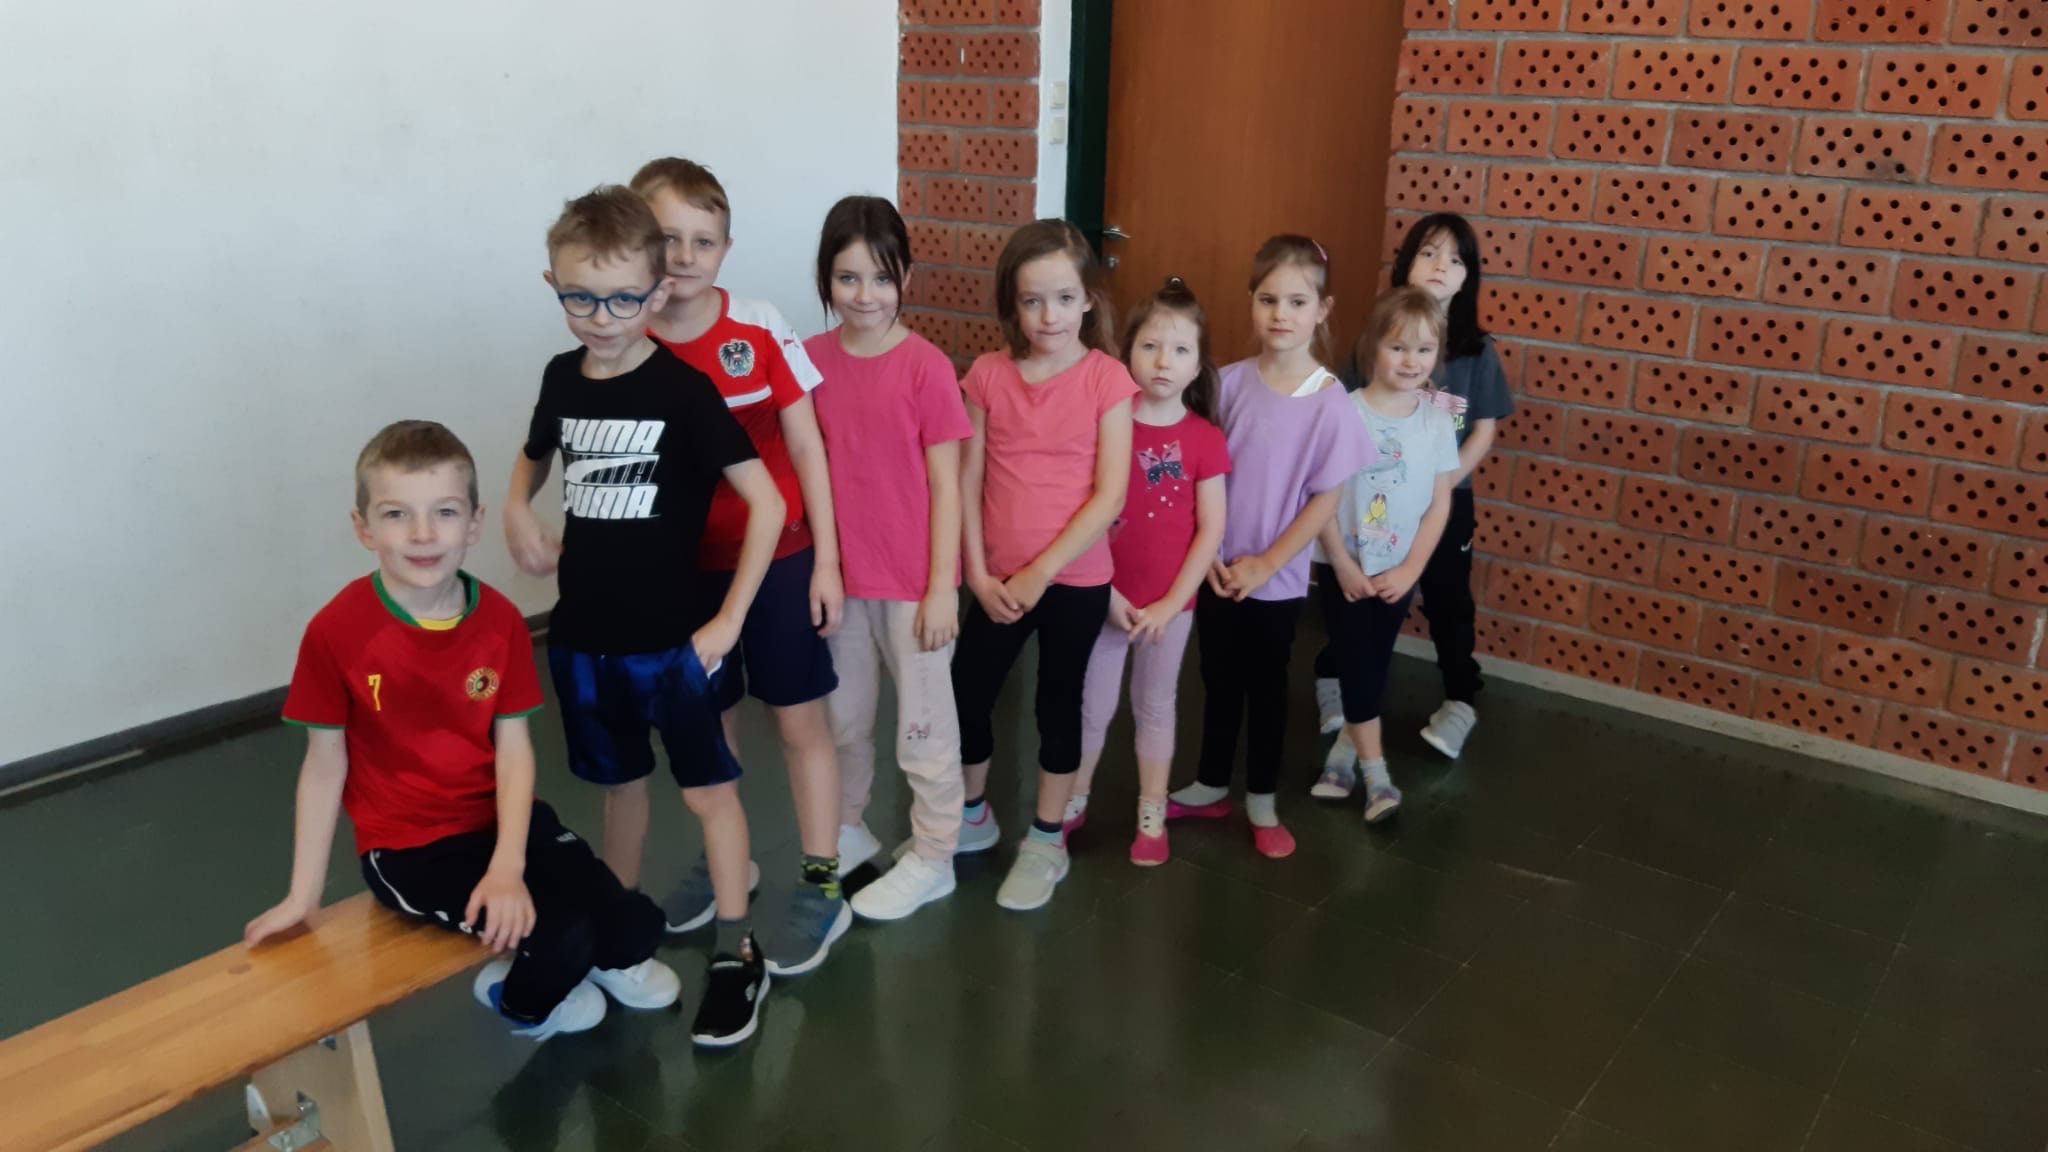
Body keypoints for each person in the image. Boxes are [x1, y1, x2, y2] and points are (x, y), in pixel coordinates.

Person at [246, 420, 680, 1043]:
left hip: (502, 821)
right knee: (562, 937)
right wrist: (302, 896)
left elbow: (514, 751)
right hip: (412, 849)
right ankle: (518, 999)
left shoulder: (500, 621)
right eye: (397, 514)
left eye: (444, 512)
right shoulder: (336, 631)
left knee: (631, 921)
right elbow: (323, 767)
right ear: (364, 528)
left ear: (474, 524)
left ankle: (596, 961)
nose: (423, 534)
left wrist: (508, 864)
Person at [503, 186, 782, 1046]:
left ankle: (738, 955)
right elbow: (533, 454)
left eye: (623, 299)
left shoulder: (686, 392)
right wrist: (516, 507)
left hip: (674, 646)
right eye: (580, 298)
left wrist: (729, 620)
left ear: (657, 292)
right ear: (553, 284)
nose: (602, 318)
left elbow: (768, 504)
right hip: (585, 642)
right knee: (619, 792)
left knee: (710, 797)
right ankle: (620, 942)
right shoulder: (560, 377)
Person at [630, 158, 850, 978]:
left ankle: (823, 882)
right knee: (708, 727)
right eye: (667, 238)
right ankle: (730, 861)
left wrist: (827, 561)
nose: (685, 256)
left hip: (783, 559)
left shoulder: (757, 326)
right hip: (688, 576)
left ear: (726, 249)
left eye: (704, 240)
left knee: (798, 723)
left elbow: (806, 445)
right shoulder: (627, 336)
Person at [1168, 236, 1376, 859]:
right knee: (1216, 678)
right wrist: (1207, 555)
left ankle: (1261, 797)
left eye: (1296, 301)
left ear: (1323, 309)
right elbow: (1200, 476)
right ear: (1252, 302)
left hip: (1276, 582)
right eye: (1268, 300)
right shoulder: (1226, 384)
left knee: (1266, 689)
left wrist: (1268, 564)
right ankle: (1211, 783)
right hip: (1217, 569)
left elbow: (1324, 501)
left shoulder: (1330, 403)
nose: (1280, 314)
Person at [954, 219, 1136, 911]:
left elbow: (1109, 495)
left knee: (1058, 705)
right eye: (1032, 301)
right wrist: (977, 573)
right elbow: (969, 480)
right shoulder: (988, 376)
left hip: (1075, 582)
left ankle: (1046, 837)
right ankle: (971, 815)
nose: (1049, 316)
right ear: (1013, 304)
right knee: (967, 693)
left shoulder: (1107, 380)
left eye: (1063, 298)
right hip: (996, 581)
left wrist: (1041, 571)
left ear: (1088, 298)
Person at [805, 195, 971, 921]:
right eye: (847, 278)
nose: (864, 296)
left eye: (880, 277)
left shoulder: (926, 366)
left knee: (924, 730)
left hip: (913, 585)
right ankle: (848, 827)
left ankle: (935, 856)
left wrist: (941, 588)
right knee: (843, 721)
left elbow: (948, 484)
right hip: (843, 579)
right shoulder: (810, 362)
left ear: (905, 275)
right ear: (825, 280)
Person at [1319, 213, 1513, 761]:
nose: (1440, 266)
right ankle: (1336, 681)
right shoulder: (1375, 342)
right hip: (1375, 499)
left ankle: (1460, 698)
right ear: (1406, 263)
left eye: (1455, 259)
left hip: (1446, 497)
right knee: (1357, 592)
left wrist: (1439, 480)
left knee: (1449, 598)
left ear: (1468, 276)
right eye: (1428, 253)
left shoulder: (1477, 351)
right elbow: (1343, 417)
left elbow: (1484, 428)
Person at [1066, 278, 1229, 866]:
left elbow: (1211, 530)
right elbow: (1083, 509)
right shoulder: (1106, 423)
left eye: (1180, 350)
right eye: (1151, 346)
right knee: (1091, 707)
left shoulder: (1205, 439)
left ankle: (1152, 813)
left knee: (1156, 706)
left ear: (1198, 365)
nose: (1164, 362)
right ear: (1127, 350)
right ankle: (1070, 801)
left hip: (1170, 608)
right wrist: (1106, 592)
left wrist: (1171, 602)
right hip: (1102, 597)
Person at [1316, 287, 1461, 823]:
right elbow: (1320, 496)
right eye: (1398, 347)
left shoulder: (1437, 420)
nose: (1410, 361)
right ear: (1372, 346)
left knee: (1371, 663)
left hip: (1398, 570)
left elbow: (1440, 504)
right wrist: (1342, 562)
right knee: (1355, 660)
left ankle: (1342, 755)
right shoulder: (1343, 411)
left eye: (1424, 350)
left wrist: (1411, 569)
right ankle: (1377, 776)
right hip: (1342, 566)